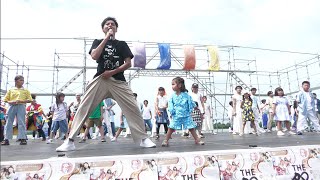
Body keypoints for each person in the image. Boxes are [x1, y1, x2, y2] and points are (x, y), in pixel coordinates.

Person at [56, 17, 155, 151]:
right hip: (101, 79)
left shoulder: (122, 44)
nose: (110, 26)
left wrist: (113, 71)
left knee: (133, 108)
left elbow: (128, 63)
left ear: (116, 28)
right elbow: (95, 56)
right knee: (83, 106)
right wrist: (107, 38)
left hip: (118, 80)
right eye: (107, 24)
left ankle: (143, 139)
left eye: (113, 24)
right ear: (103, 29)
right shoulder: (97, 42)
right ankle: (70, 140)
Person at [161, 77, 204, 146]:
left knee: (191, 127)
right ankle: (166, 140)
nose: (172, 86)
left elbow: (191, 102)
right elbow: (170, 104)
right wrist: (172, 111)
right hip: (176, 115)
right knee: (171, 128)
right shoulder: (172, 96)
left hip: (186, 115)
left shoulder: (186, 95)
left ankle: (197, 139)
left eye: (173, 84)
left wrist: (195, 107)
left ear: (179, 85)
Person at [2, 75, 32, 145]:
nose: (22, 82)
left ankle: (23, 138)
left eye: (23, 80)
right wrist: (11, 102)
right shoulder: (11, 90)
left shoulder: (26, 90)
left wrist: (22, 101)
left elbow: (30, 100)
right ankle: (6, 139)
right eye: (20, 80)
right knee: (9, 122)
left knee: (21, 122)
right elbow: (6, 100)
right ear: (16, 81)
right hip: (12, 106)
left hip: (21, 106)